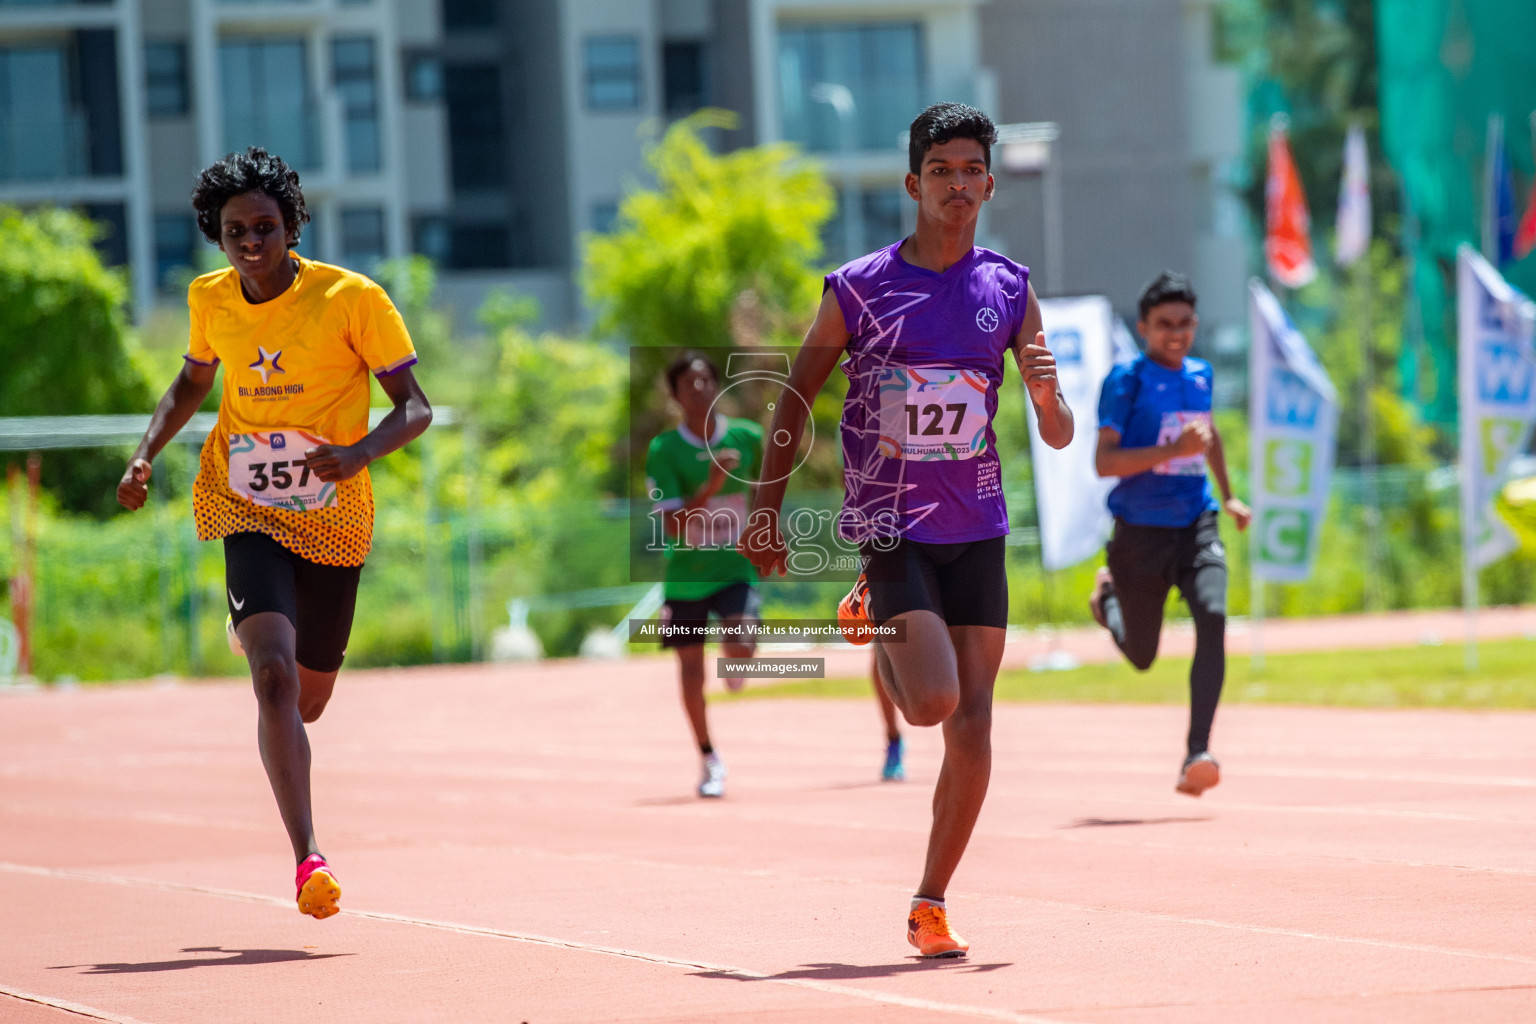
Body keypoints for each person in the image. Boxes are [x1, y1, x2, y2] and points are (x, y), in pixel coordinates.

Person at [743, 103, 1073, 957]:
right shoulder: (860, 287)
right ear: (913, 183)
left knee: (975, 725)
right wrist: (765, 508)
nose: (957, 186)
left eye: (971, 171)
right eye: (941, 172)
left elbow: (1061, 432)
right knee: (929, 704)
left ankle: (931, 902)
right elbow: (793, 394)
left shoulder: (1010, 286)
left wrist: (1044, 392)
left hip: (981, 524)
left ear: (990, 183)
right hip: (893, 523)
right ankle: (873, 609)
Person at [116, 147, 431, 919]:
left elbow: (415, 407)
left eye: (265, 227)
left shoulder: (353, 299)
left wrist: (356, 455)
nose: (251, 243)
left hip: (332, 513)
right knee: (273, 680)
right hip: (243, 498)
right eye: (234, 232)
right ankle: (308, 860)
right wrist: (145, 452)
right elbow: (194, 380)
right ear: (215, 237)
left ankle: (272, 636)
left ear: (292, 227)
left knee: (307, 701)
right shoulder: (210, 299)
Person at [1086, 271, 1250, 798]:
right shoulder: (1126, 381)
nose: (1175, 335)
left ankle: (1196, 751)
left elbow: (1208, 435)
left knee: (1215, 615)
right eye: (1164, 326)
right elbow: (1103, 461)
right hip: (1139, 533)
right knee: (1141, 656)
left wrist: (1227, 495)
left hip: (1195, 522)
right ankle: (1107, 598)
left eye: (1184, 324)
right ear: (1144, 328)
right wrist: (1168, 452)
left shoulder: (1200, 375)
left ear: (1195, 325)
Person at [645, 353, 763, 798]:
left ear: (717, 385)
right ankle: (709, 758)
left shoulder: (747, 436)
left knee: (741, 644)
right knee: (691, 673)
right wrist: (712, 486)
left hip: (735, 566)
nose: (699, 389)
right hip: (687, 577)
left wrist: (768, 527)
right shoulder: (664, 451)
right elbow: (673, 525)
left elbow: (772, 486)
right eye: (688, 383)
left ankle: (735, 657)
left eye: (706, 380)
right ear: (674, 395)